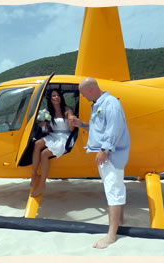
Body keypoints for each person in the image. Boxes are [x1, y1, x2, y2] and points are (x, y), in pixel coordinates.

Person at [69, 77, 130, 249]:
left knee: (113, 191)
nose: (82, 96)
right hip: (107, 155)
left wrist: (105, 150)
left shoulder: (110, 103)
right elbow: (99, 127)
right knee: (114, 188)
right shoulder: (99, 104)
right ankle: (119, 220)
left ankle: (111, 236)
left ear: (90, 90)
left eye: (82, 93)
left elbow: (114, 129)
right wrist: (80, 124)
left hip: (111, 156)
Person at [30, 88, 74, 197]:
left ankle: (42, 184)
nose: (56, 97)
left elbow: (71, 129)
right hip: (54, 135)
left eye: (58, 95)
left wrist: (71, 120)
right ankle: (34, 173)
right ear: (50, 99)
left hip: (65, 136)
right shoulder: (49, 113)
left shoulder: (67, 110)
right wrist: (44, 125)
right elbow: (49, 131)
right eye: (54, 96)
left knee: (44, 154)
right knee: (37, 144)